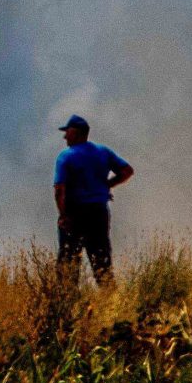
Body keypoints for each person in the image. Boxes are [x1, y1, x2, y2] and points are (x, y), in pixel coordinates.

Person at [52, 114, 133, 284]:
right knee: (101, 262)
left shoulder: (65, 156)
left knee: (68, 264)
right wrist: (107, 186)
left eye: (68, 132)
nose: (65, 136)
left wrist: (63, 215)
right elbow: (127, 171)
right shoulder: (103, 152)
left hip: (74, 215)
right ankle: (112, 302)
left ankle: (66, 305)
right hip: (98, 213)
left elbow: (60, 190)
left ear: (77, 133)